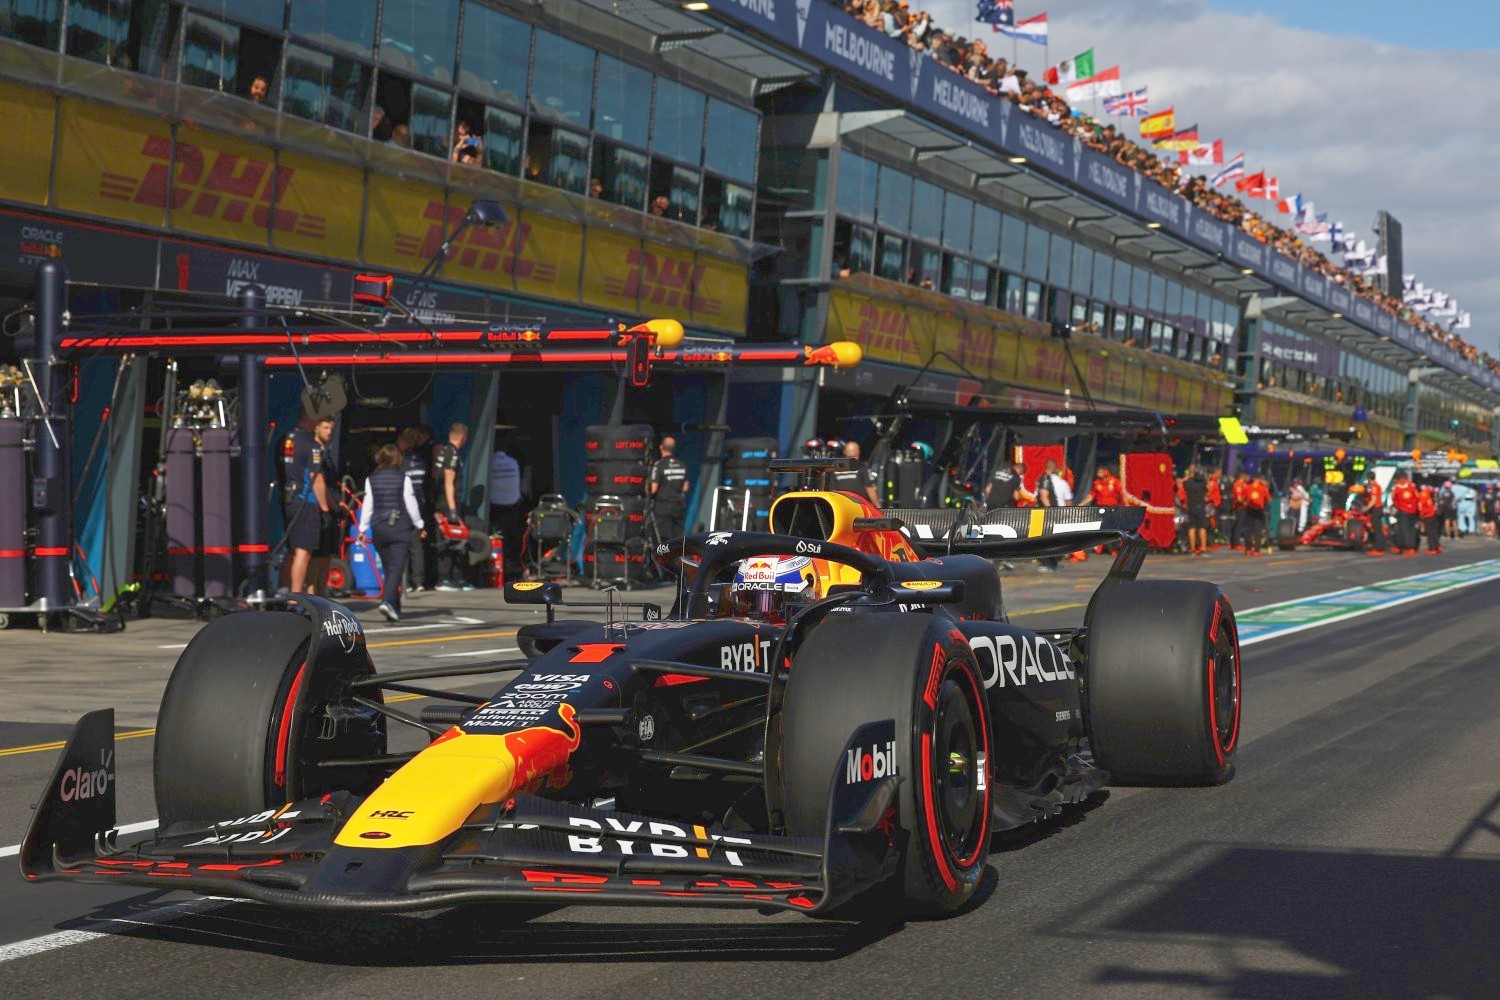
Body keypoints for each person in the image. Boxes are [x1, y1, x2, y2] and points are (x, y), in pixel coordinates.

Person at [357, 444, 425, 622]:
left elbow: (368, 505)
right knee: (396, 568)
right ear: (397, 459)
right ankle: (387, 601)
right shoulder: (404, 479)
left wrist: (362, 529)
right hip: (399, 528)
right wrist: (419, 524)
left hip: (379, 528)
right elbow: (411, 504)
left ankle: (395, 608)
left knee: (389, 568)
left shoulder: (370, 479)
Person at [281, 415, 336, 594]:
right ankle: (295, 597)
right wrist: (326, 509)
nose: (329, 432)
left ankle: (286, 590)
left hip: (290, 498)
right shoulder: (311, 445)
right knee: (303, 552)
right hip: (306, 501)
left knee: (294, 551)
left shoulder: (288, 439)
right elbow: (317, 479)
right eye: (325, 427)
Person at [432, 422, 469, 591]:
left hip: (443, 503)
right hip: (447, 505)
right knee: (448, 541)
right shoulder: (451, 454)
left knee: (455, 542)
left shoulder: (444, 452)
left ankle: (455, 578)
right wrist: (453, 510)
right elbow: (448, 483)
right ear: (462, 438)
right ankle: (444, 579)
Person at [398, 426, 432, 592]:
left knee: (402, 542)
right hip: (419, 500)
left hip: (403, 503)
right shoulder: (421, 459)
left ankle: (406, 581)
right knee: (416, 543)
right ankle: (418, 581)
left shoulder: (399, 461)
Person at [488, 438, 525, 575]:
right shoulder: (513, 462)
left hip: (496, 505)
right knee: (512, 537)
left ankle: (499, 565)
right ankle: (511, 564)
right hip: (512, 503)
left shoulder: (490, 463)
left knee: (497, 537)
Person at [649, 435, 691, 542]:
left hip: (663, 508)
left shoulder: (658, 465)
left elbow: (653, 489)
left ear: (661, 447)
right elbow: (685, 488)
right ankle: (677, 558)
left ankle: (664, 559)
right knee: (677, 540)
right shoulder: (682, 465)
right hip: (678, 507)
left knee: (663, 540)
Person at [1035, 459, 1070, 572]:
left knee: (1052, 539)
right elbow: (1044, 496)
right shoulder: (1045, 478)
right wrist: (1050, 511)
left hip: (1047, 512)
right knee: (1047, 539)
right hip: (1046, 514)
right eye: (1056, 468)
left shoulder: (1047, 479)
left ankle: (1053, 564)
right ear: (1052, 468)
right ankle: (1047, 564)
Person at [1181, 465, 1210, 555]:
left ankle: (1192, 548)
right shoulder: (1202, 482)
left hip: (1191, 506)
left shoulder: (1187, 482)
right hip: (1200, 506)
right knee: (1202, 527)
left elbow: (1182, 484)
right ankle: (1203, 548)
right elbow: (1207, 490)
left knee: (1192, 527)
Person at [1390, 470, 1419, 555]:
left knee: (1405, 530)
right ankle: (1406, 547)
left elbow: (1394, 500)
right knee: (1408, 530)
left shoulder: (1396, 488)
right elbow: (1417, 497)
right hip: (1411, 511)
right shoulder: (1412, 486)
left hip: (1404, 512)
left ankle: (1409, 547)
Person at [1242, 473, 1270, 555]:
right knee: (1258, 531)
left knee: (1248, 530)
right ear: (1260, 479)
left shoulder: (1248, 487)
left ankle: (1248, 549)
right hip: (1259, 511)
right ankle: (1257, 550)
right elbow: (1268, 499)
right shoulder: (1263, 488)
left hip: (1249, 510)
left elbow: (1243, 498)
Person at [1360, 470, 1385, 556]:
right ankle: (1378, 547)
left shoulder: (1374, 486)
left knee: (1377, 530)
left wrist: (1366, 508)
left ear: (1368, 478)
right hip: (1378, 508)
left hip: (1376, 509)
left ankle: (1379, 549)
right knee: (1377, 529)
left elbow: (1373, 500)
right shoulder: (1376, 485)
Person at [1228, 470, 1251, 550]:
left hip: (1243, 507)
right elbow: (1239, 497)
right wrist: (1245, 503)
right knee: (1238, 525)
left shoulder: (1244, 485)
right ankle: (1235, 543)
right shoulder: (1238, 484)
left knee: (1238, 524)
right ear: (1243, 476)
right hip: (1240, 507)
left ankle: (1233, 542)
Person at [1419, 483, 1442, 554]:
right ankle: (1437, 546)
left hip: (1428, 516)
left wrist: (1421, 516)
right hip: (1433, 515)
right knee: (1434, 532)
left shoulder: (1425, 496)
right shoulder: (1432, 497)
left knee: (1430, 533)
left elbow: (1422, 508)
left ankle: (1432, 548)